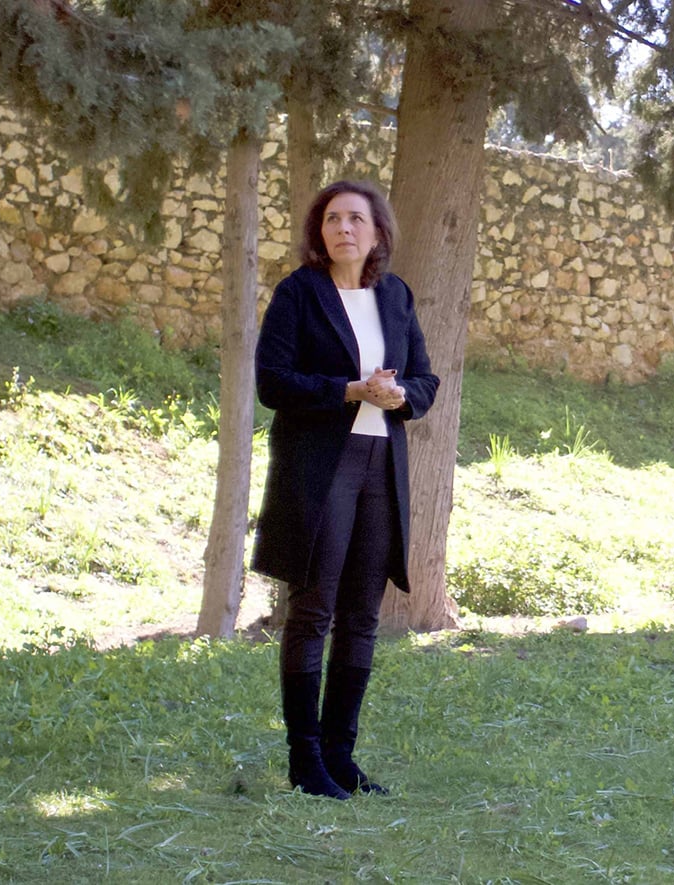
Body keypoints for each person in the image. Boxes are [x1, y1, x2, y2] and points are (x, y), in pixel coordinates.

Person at [251, 180, 439, 799]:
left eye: (356, 218)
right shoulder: (299, 293)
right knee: (313, 610)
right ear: (320, 232)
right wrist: (350, 391)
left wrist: (400, 394)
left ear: (377, 232)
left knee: (362, 614)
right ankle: (305, 762)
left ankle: (341, 756)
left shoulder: (396, 295)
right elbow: (273, 382)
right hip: (319, 469)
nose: (343, 228)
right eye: (332, 218)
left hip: (381, 465)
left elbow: (425, 379)